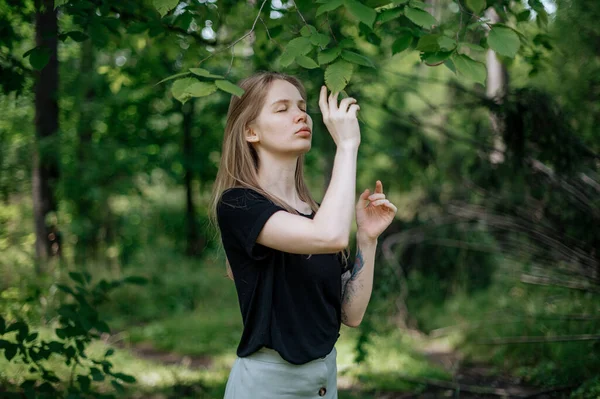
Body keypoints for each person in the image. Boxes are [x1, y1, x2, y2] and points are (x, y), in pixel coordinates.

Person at [208, 71, 397, 399]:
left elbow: (351, 315)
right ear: (251, 131)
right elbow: (329, 237)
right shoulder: (238, 205)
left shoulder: (318, 215)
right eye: (281, 109)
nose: (300, 115)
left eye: (301, 106)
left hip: (325, 381)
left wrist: (367, 238)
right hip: (267, 386)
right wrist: (348, 146)